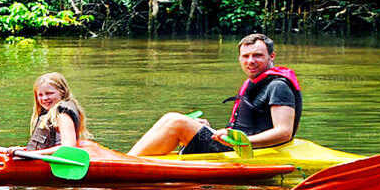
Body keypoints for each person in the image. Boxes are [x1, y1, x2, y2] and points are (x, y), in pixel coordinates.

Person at [127, 33, 301, 156]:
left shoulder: (278, 86)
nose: (251, 61)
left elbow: (284, 132)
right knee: (171, 119)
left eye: (257, 55)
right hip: (235, 144)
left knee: (176, 121)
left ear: (271, 56)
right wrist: (211, 130)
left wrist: (240, 141)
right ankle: (130, 159)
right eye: (245, 56)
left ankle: (126, 163)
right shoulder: (255, 82)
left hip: (244, 150)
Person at [0, 72, 90, 157]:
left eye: (49, 93)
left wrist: (29, 155)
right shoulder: (50, 112)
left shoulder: (62, 115)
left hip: (49, 162)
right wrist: (22, 151)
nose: (44, 98)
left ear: (62, 92)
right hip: (39, 158)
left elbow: (68, 148)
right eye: (40, 95)